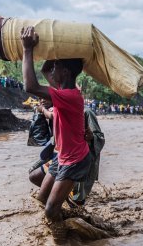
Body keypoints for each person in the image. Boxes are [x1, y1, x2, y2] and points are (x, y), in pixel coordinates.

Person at [21, 26, 90, 244]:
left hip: (75, 159)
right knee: (42, 199)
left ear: (66, 73)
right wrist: (51, 46)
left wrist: (27, 49)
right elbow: (43, 72)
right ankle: (71, 219)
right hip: (63, 155)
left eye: (57, 67)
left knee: (50, 210)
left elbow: (30, 86)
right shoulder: (64, 92)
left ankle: (65, 239)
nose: (52, 71)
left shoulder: (68, 95)